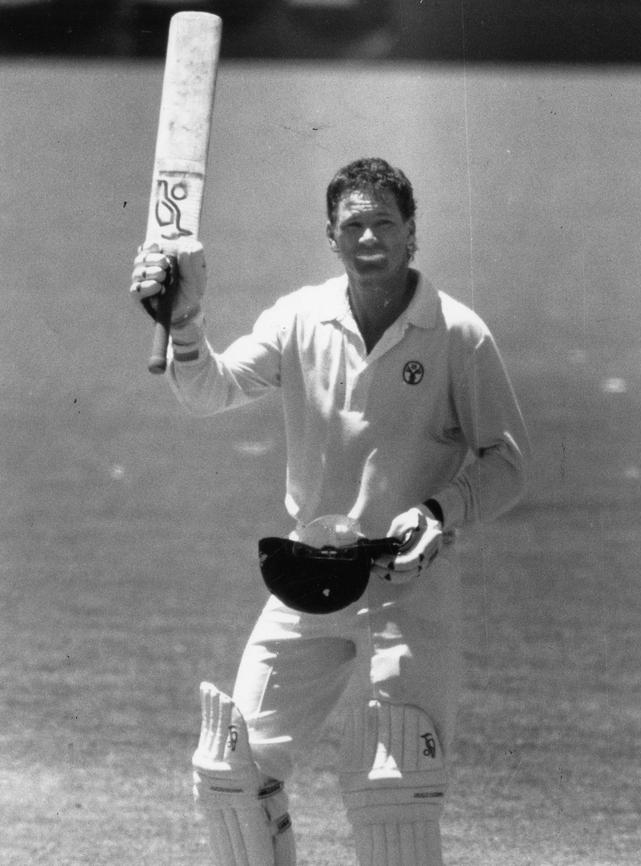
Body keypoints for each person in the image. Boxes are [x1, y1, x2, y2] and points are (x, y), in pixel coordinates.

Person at [130, 157, 530, 866]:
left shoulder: (457, 334)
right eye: (354, 224)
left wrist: (441, 511)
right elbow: (209, 390)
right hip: (308, 579)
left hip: (408, 586)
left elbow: (506, 460)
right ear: (330, 236)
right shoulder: (298, 319)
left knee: (393, 788)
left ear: (412, 235)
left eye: (385, 223)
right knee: (233, 768)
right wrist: (185, 320)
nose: (369, 236)